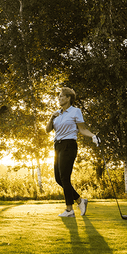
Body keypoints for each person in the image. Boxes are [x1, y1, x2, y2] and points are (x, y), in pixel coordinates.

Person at [46, 87, 99, 217]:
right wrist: (51, 117)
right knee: (59, 178)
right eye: (59, 97)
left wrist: (93, 136)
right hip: (57, 146)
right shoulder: (57, 114)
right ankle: (80, 201)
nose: (59, 98)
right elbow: (47, 130)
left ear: (68, 98)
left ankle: (69, 210)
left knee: (64, 177)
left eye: (61, 96)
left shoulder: (76, 111)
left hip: (69, 145)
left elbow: (82, 129)